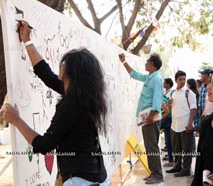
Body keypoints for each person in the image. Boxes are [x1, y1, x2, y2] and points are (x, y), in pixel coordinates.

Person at [4, 21, 108, 185]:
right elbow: (46, 74)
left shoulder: (71, 104)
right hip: (96, 175)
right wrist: (27, 41)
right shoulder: (83, 96)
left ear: (71, 73)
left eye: (65, 63)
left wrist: (16, 119)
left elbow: (44, 145)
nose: (62, 64)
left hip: (81, 181)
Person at [119, 53, 164, 184]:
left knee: (152, 147)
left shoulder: (156, 79)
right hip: (147, 119)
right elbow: (135, 75)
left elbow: (157, 100)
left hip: (151, 119)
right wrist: (124, 62)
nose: (145, 64)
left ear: (153, 65)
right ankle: (153, 173)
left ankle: (158, 176)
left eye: (147, 62)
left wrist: (150, 117)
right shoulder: (150, 77)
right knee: (149, 148)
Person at [166, 71, 197, 177]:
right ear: (175, 80)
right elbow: (170, 109)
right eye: (180, 79)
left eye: (184, 79)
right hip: (174, 125)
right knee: (176, 148)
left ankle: (186, 169)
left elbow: (193, 109)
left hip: (185, 126)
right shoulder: (172, 93)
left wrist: (190, 124)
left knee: (187, 149)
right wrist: (169, 104)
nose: (182, 81)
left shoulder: (188, 92)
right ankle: (177, 166)